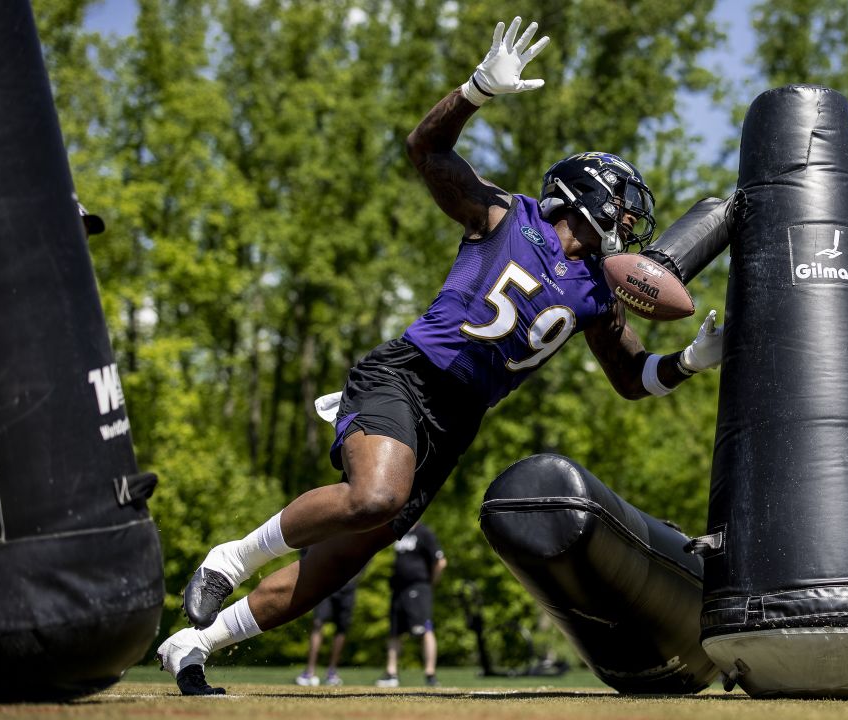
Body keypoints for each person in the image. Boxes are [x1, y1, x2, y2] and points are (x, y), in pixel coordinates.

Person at [156, 16, 724, 695]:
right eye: (626, 208)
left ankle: (195, 643)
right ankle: (229, 559)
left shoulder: (599, 292)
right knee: (376, 495)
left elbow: (632, 378)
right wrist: (476, 91)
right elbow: (426, 148)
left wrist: (688, 362)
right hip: (408, 375)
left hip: (456, 420)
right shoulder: (506, 216)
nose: (631, 225)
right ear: (591, 193)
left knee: (341, 561)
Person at [375, 522, 446, 688]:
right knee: (395, 632)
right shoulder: (400, 533)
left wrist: (429, 584)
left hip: (418, 588)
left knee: (424, 630)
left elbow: (440, 562)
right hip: (399, 589)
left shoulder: (424, 533)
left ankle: (430, 674)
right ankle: (391, 673)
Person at [294, 548, 364, 687]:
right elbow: (305, 548)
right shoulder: (326, 527)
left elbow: (367, 551)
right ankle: (309, 671)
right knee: (318, 623)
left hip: (347, 587)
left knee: (342, 628)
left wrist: (354, 576)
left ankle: (332, 672)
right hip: (325, 583)